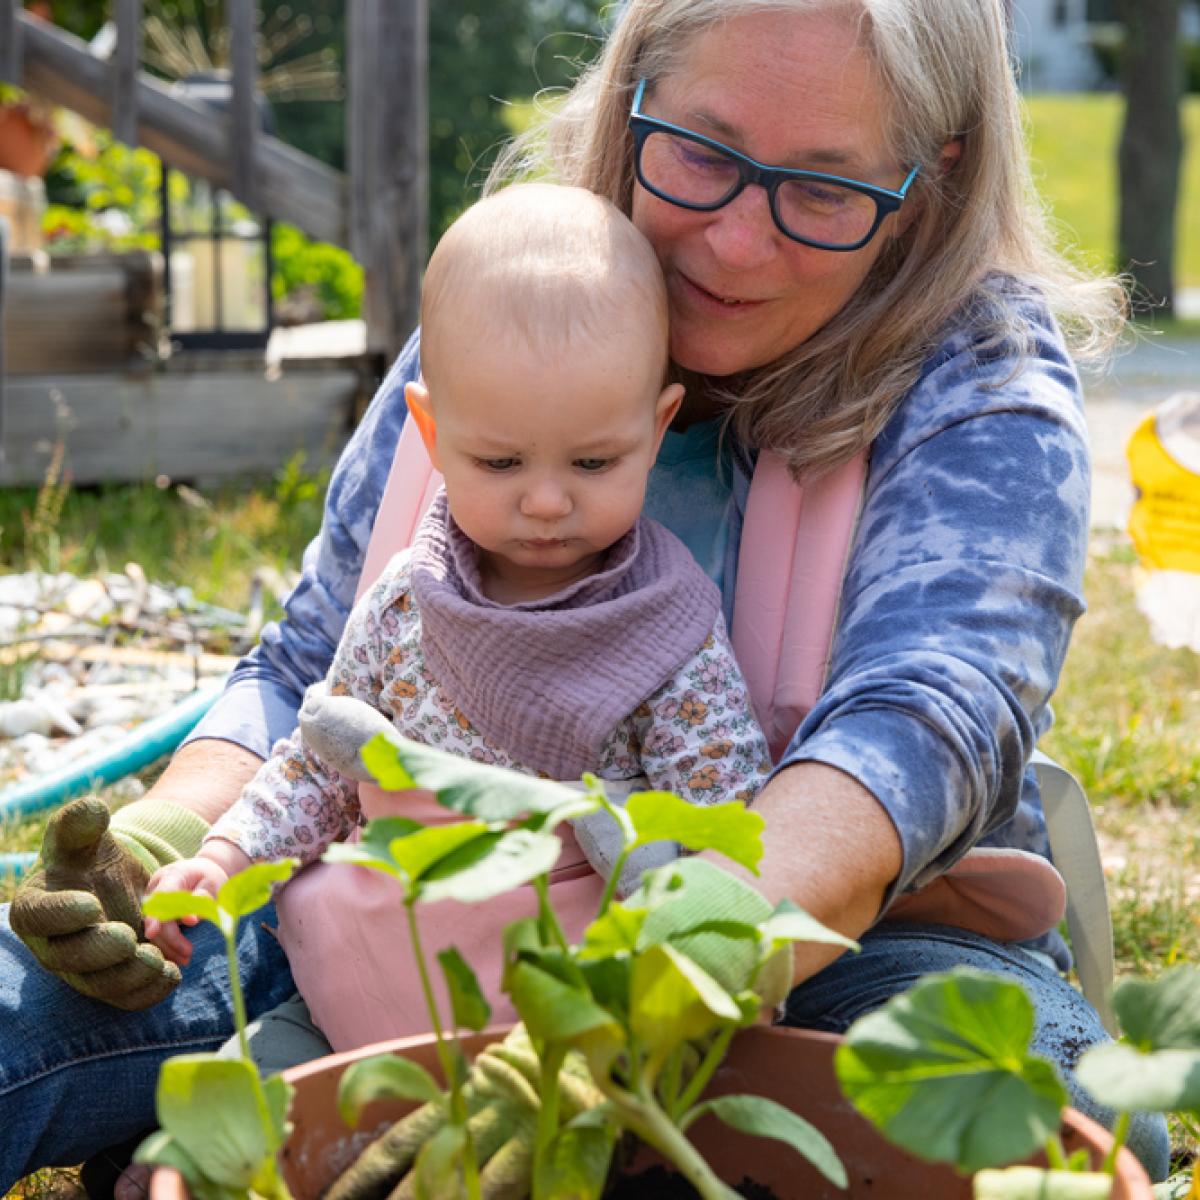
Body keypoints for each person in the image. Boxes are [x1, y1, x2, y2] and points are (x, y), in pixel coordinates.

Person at [0, 0, 1172, 1189]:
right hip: (387, 925)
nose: (734, 245)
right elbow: (309, 666)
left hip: (841, 947)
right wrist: (165, 843)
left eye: (822, 189)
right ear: (629, 103)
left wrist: (632, 998)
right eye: (703, 155)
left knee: (1033, 1124)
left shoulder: (977, 374)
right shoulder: (522, 292)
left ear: (932, 175)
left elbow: (921, 724)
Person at [139, 182, 772, 1046]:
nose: (546, 501)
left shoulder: (666, 632)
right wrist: (223, 854)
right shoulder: (405, 604)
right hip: (377, 965)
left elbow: (721, 817)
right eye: (501, 460)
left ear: (657, 429)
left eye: (593, 461)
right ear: (433, 438)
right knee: (264, 1085)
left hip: (566, 1008)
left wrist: (734, 953)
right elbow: (320, 765)